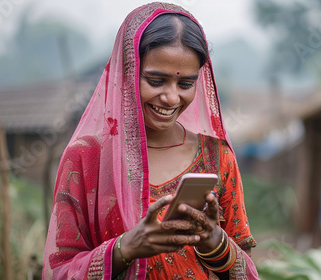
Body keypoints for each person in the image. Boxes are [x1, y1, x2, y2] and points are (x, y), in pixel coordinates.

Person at [43, 2, 259, 279]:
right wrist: (125, 248)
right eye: (156, 81)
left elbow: (247, 272)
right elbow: (59, 271)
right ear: (127, 73)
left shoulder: (217, 158)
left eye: (185, 84)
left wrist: (215, 242)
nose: (171, 98)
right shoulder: (87, 160)